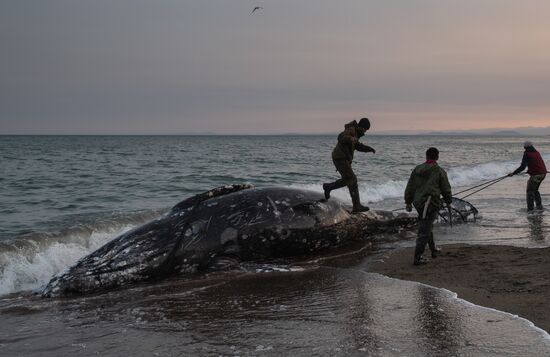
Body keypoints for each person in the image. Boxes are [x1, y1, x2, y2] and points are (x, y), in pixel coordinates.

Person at [404, 147, 452, 265]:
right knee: (424, 230)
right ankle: (418, 257)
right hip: (430, 203)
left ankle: (433, 250)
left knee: (427, 225)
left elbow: (410, 186)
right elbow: (446, 189)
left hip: (418, 202)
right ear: (437, 157)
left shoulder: (417, 169)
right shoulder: (439, 171)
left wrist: (408, 201)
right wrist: (448, 201)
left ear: (426, 156)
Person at [322, 118, 375, 213]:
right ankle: (356, 206)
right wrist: (351, 139)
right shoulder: (351, 130)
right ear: (361, 126)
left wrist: (369, 149)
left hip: (342, 158)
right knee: (352, 179)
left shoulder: (356, 133)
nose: (365, 131)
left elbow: (358, 146)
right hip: (340, 158)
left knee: (348, 180)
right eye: (365, 129)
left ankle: (328, 187)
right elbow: (341, 137)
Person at [508, 141, 547, 211]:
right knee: (535, 190)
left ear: (525, 147)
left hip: (536, 175)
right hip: (543, 174)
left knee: (530, 191)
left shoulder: (527, 154)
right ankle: (539, 207)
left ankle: (530, 210)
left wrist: (513, 173)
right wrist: (531, 170)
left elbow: (522, 167)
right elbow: (537, 163)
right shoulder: (536, 152)